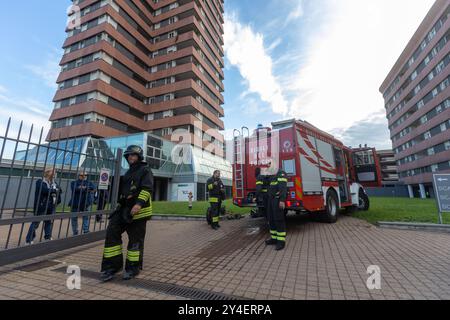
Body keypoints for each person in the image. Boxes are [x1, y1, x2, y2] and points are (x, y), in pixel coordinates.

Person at [100, 145, 154, 282]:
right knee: (112, 231)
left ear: (139, 157)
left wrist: (138, 204)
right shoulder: (128, 172)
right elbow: (125, 192)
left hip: (139, 211)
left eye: (133, 155)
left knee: (135, 241)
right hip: (124, 209)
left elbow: (147, 189)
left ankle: (132, 268)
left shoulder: (145, 170)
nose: (130, 157)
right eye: (128, 155)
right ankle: (112, 266)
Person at [26, 168, 62, 245]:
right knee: (36, 222)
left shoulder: (54, 183)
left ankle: (48, 237)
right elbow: (45, 191)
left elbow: (60, 190)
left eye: (55, 172)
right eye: (53, 171)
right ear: (47, 172)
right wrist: (55, 191)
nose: (54, 173)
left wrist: (54, 191)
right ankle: (29, 239)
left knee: (49, 221)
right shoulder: (40, 182)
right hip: (42, 205)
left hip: (51, 205)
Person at [266, 169, 288, 251]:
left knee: (278, 220)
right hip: (271, 200)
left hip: (277, 200)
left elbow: (283, 187)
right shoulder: (272, 176)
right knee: (271, 219)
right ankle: (274, 238)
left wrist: (282, 200)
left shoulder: (281, 174)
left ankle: (281, 242)